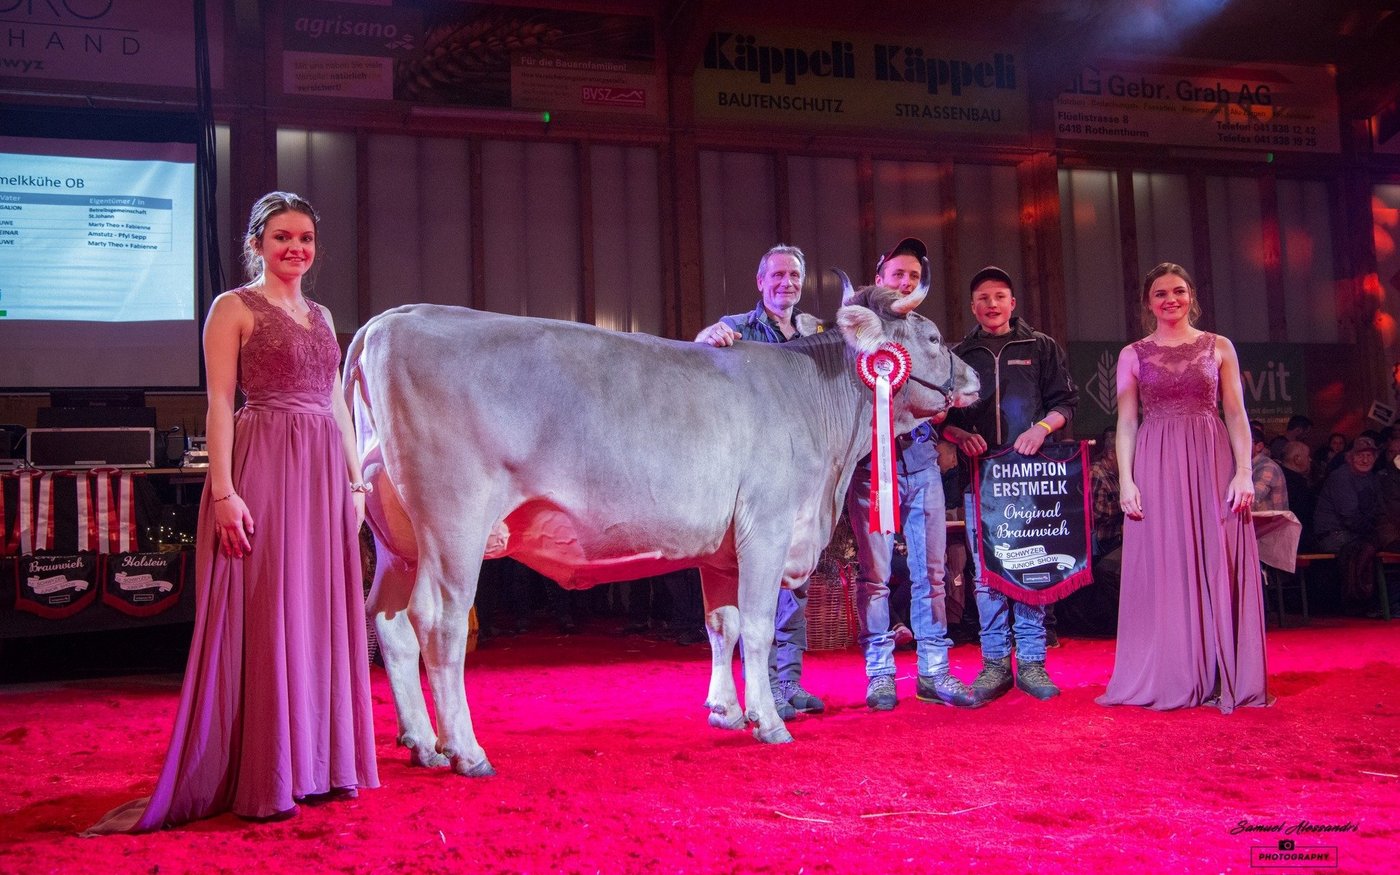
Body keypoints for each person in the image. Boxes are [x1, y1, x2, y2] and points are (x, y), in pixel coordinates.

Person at [85, 192, 378, 833]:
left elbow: (335, 403)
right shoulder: (232, 308)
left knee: (316, 609)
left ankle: (319, 765)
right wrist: (223, 491)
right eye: (282, 237)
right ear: (257, 244)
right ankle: (269, 769)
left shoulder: (323, 316)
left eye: (304, 238)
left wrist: (357, 484)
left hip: (323, 474)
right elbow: (219, 403)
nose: (295, 248)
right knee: (270, 605)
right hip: (264, 462)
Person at [1098, 262, 1268, 714]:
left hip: (1212, 459)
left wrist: (1244, 471)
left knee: (1217, 556)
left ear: (1191, 295)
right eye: (1160, 293)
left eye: (1178, 291)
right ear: (1148, 302)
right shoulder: (1132, 354)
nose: (1170, 299)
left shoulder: (1219, 346)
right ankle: (1176, 670)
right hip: (1156, 460)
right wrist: (1127, 480)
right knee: (1166, 561)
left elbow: (1236, 414)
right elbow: (1127, 422)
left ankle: (1220, 671)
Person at [842, 237, 974, 711]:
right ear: (880, 278)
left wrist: (943, 406)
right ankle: (880, 673)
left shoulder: (926, 330)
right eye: (898, 274)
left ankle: (934, 670)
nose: (905, 282)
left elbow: (945, 390)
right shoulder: (855, 329)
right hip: (869, 467)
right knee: (875, 576)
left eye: (914, 276)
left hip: (921, 461)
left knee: (932, 573)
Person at [695, 244, 824, 720]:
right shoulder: (737, 327)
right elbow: (698, 362)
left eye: (794, 275)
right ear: (760, 281)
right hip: (755, 472)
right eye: (778, 275)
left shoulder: (815, 332)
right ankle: (763, 686)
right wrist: (705, 337)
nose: (786, 283)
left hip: (803, 468)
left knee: (795, 584)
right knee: (760, 583)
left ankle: (788, 682)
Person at [942, 265, 1079, 705]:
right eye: (983, 298)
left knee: (1030, 566)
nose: (992, 304)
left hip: (1030, 477)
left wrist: (1041, 428)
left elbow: (1066, 404)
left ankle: (1033, 661)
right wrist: (959, 436)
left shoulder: (1040, 346)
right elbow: (941, 417)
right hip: (981, 478)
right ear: (973, 307)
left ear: (1012, 303)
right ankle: (995, 662)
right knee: (986, 574)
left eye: (999, 296)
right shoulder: (959, 354)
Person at [1280, 440, 1317, 549]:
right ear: (1297, 459)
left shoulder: (1280, 474)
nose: (1310, 459)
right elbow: (1303, 514)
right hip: (1295, 539)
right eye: (1308, 456)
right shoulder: (1297, 483)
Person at [1251, 425, 1289, 512]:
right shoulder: (1244, 466)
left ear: (1259, 446)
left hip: (1269, 521)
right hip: (1257, 520)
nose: (1236, 445)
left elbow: (1251, 501)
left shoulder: (1267, 467)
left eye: (1242, 441)